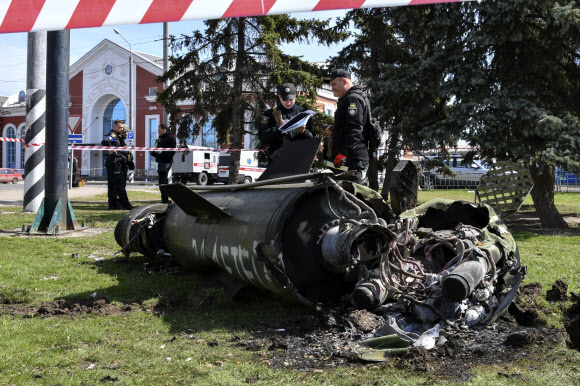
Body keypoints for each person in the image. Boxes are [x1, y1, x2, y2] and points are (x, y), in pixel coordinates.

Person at [324, 69, 370, 185]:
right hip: (343, 159)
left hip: (351, 160)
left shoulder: (352, 99)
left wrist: (343, 153)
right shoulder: (347, 99)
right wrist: (334, 129)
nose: (332, 88)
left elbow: (355, 129)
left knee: (352, 197)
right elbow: (348, 126)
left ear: (344, 81)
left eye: (334, 84)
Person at [258, 83, 314, 163]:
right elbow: (262, 136)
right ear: (280, 97)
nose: (288, 103)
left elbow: (312, 139)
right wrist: (279, 129)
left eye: (291, 99)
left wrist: (304, 131)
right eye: (285, 100)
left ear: (295, 96)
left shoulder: (304, 113)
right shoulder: (270, 113)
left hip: (299, 160)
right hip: (277, 160)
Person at [102, 119, 134, 210]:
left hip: (118, 162)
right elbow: (105, 141)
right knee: (119, 185)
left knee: (113, 185)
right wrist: (111, 149)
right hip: (114, 162)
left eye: (122, 128)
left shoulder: (119, 136)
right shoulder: (112, 135)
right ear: (114, 126)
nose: (121, 129)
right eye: (120, 127)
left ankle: (114, 204)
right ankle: (125, 205)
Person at [152, 123, 176, 203]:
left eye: (159, 130)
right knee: (161, 182)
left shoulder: (170, 139)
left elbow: (172, 153)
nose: (158, 132)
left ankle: (165, 200)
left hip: (166, 162)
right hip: (161, 162)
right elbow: (158, 153)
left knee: (163, 182)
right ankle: (164, 199)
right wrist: (152, 152)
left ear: (164, 130)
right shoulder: (160, 139)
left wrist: (161, 153)